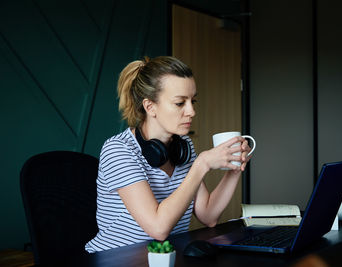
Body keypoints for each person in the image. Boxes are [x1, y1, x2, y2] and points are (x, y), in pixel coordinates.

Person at [85, 56, 252, 253]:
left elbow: (208, 216)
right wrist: (202, 164)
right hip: (116, 259)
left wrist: (235, 166)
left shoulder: (183, 146)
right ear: (150, 107)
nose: (191, 111)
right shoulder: (118, 150)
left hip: (163, 257)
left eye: (193, 101)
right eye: (180, 103)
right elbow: (158, 228)